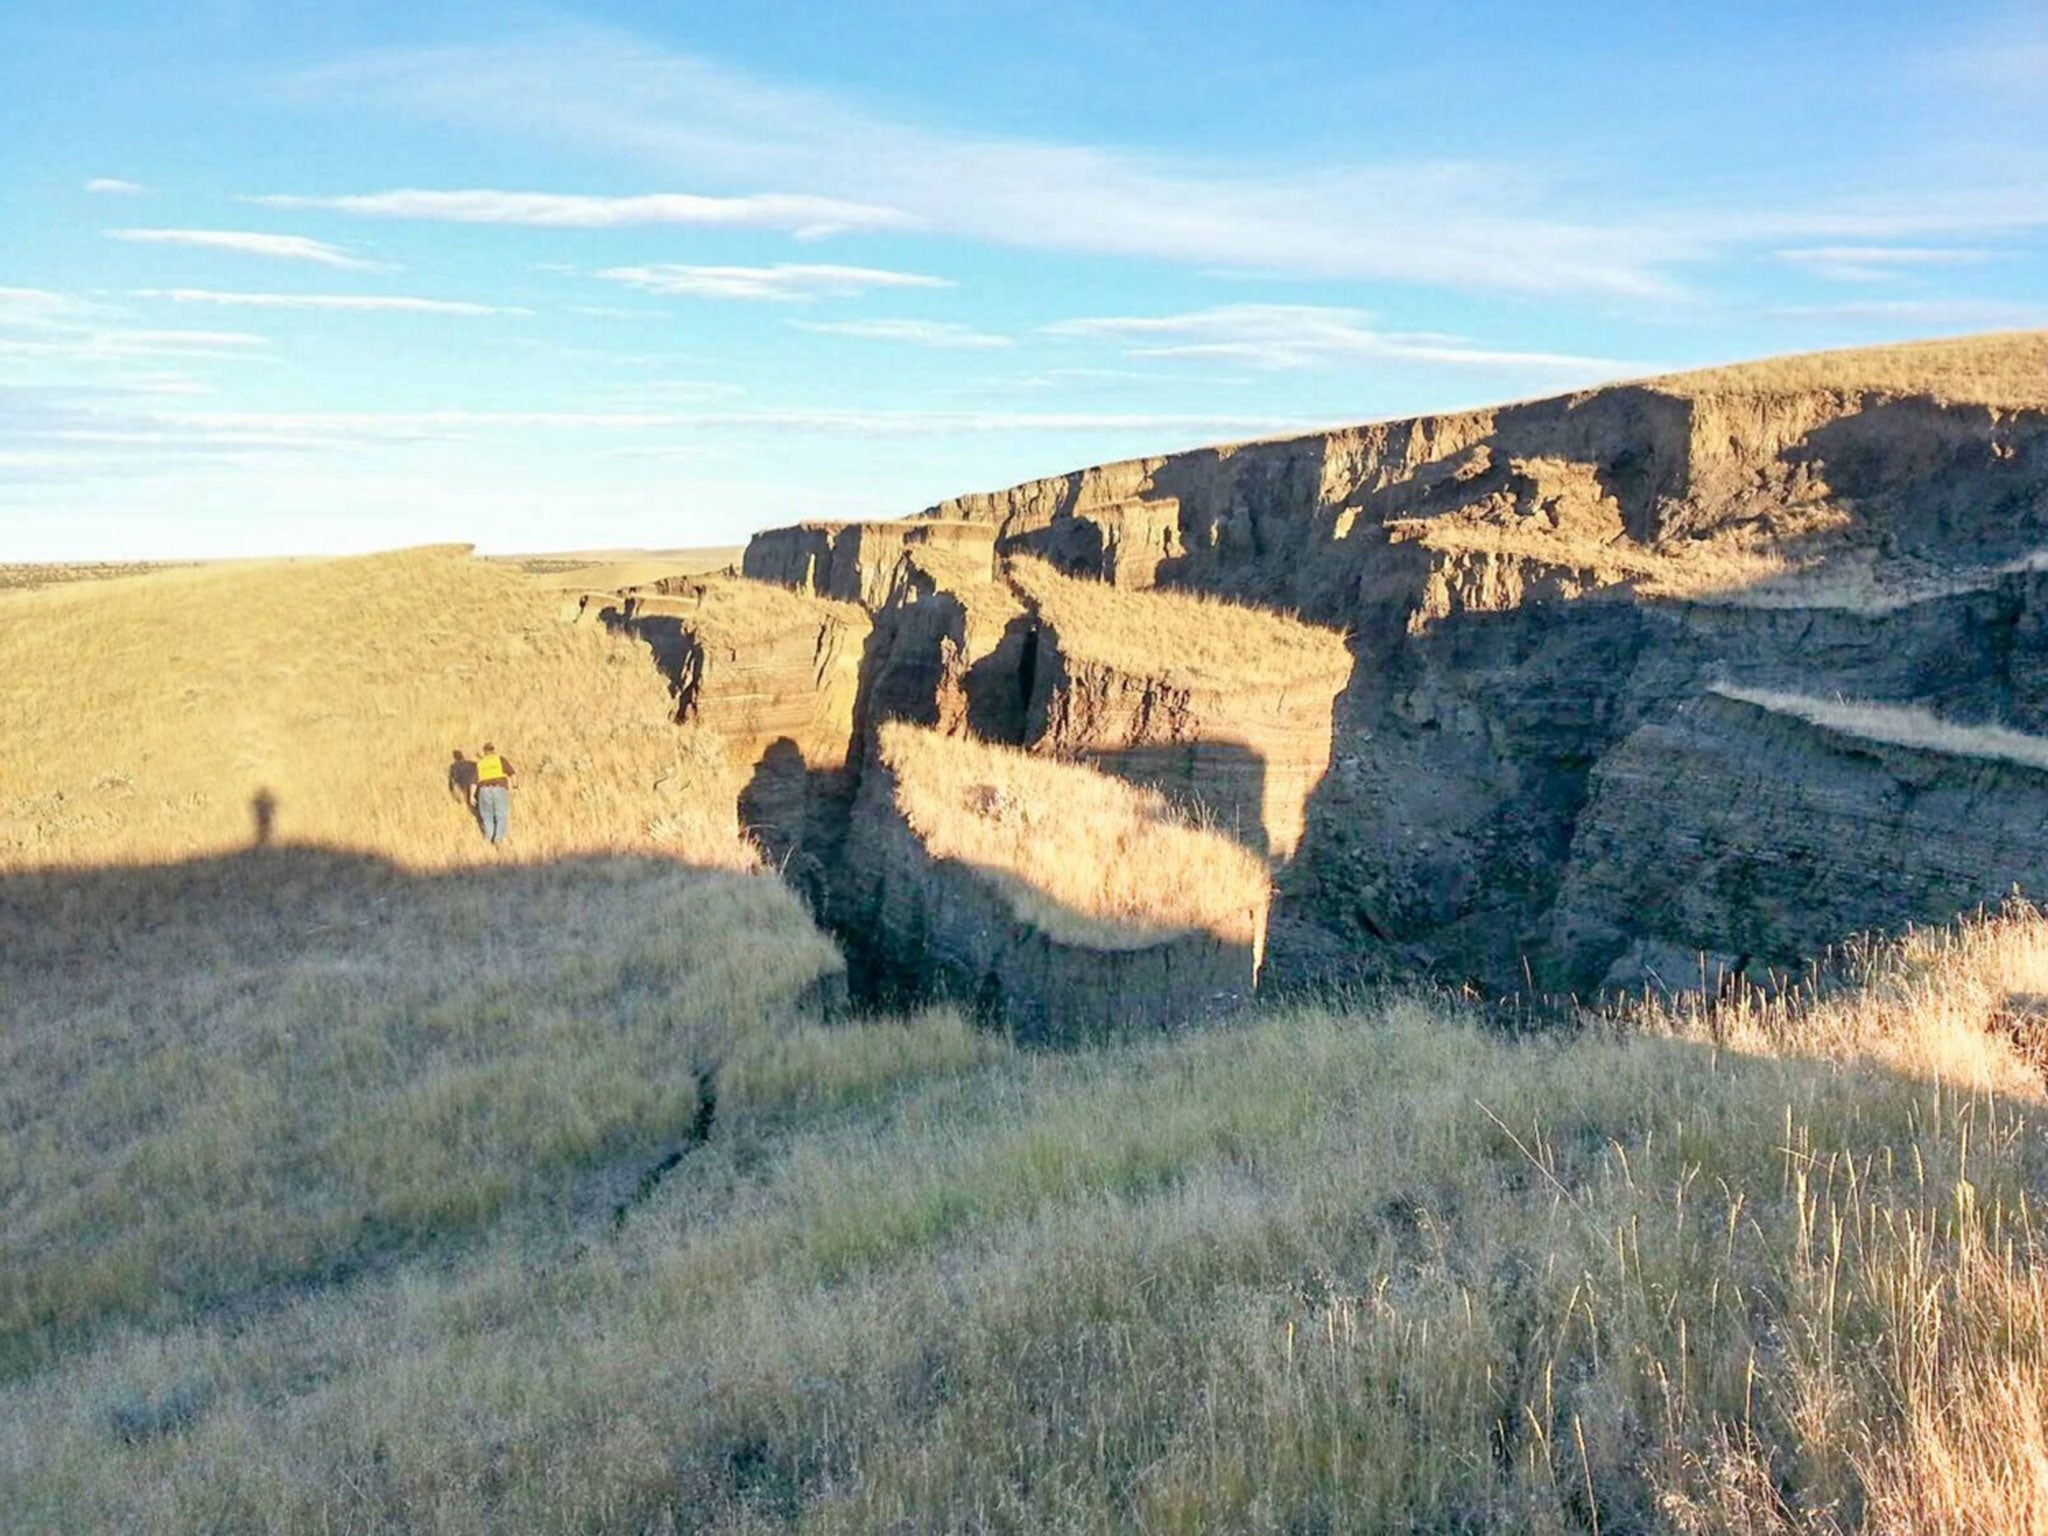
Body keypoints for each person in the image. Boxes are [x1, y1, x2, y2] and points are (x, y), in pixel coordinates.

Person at [472, 743, 516, 845]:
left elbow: (474, 782)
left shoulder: (480, 763)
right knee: (501, 814)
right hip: (499, 789)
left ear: (484, 752)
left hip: (484, 791)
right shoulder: (500, 760)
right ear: (493, 750)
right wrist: (515, 787)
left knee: (487, 816)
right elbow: (512, 774)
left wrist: (471, 796)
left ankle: (489, 838)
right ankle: (498, 838)